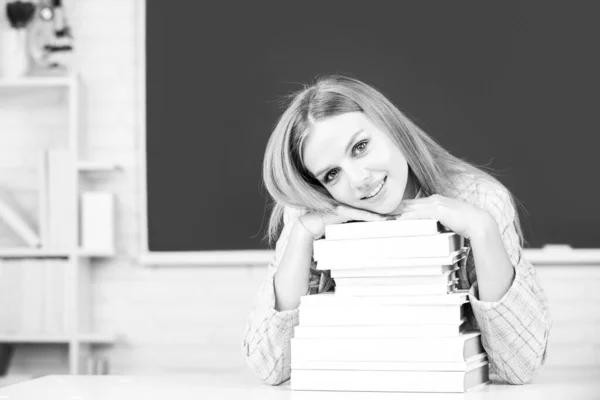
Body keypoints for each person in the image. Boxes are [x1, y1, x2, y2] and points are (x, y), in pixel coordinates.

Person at [242, 75, 551, 386]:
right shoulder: (308, 218)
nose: (359, 179)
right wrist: (300, 238)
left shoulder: (478, 201)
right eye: (332, 174)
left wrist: (482, 230)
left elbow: (519, 367)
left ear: (391, 128)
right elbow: (272, 367)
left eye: (360, 147)